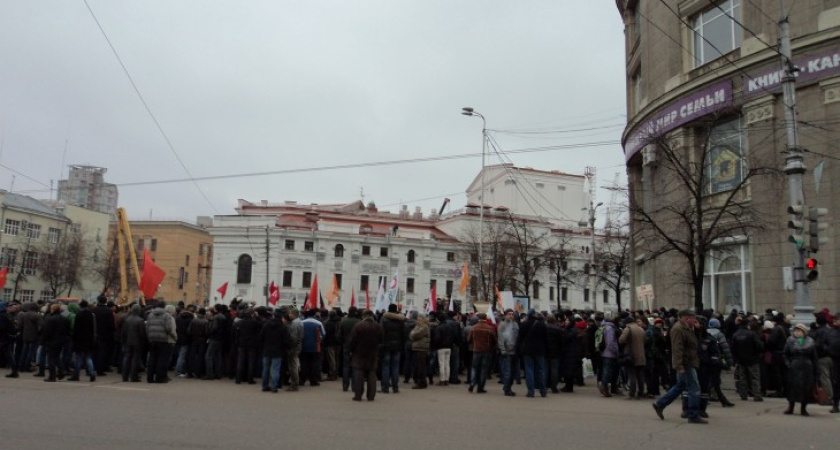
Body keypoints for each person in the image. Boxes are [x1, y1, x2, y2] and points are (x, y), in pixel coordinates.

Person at [652, 309, 706, 424]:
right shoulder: (678, 329)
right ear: (687, 318)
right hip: (686, 363)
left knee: (680, 386)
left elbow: (695, 343)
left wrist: (698, 330)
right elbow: (677, 349)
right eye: (693, 319)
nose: (695, 321)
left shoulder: (687, 328)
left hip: (689, 361)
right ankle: (693, 414)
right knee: (694, 388)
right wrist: (679, 365)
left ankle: (660, 404)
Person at [347, 309, 384, 401]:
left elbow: (352, 341)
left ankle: (358, 395)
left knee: (359, 374)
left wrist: (351, 350)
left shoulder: (358, 326)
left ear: (363, 316)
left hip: (359, 353)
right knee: (372, 374)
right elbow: (382, 340)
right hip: (373, 353)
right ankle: (371, 396)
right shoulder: (378, 326)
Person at [783, 323, 818, 416]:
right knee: (792, 387)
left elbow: (814, 357)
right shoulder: (790, 340)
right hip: (794, 365)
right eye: (796, 330)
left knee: (806, 388)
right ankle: (791, 406)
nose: (797, 332)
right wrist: (788, 364)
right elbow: (785, 354)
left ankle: (803, 408)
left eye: (799, 331)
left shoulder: (810, 341)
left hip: (807, 367)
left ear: (804, 332)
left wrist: (816, 370)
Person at [731, 318, 764, 401]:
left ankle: (743, 395)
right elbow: (759, 346)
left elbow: (733, 348)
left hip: (741, 360)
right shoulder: (752, 334)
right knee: (755, 378)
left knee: (743, 378)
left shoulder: (735, 334)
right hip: (752, 359)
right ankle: (757, 395)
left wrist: (735, 359)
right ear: (747, 325)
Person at [259, 308, 290, 393]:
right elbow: (286, 340)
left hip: (267, 349)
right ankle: (274, 387)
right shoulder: (283, 327)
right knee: (275, 369)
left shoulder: (267, 324)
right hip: (278, 350)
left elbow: (261, 337)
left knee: (265, 369)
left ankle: (264, 386)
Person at [145, 302, 177, 384]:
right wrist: (174, 337)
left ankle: (150, 378)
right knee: (161, 360)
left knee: (152, 359)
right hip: (163, 339)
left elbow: (147, 327)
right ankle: (160, 378)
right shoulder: (167, 315)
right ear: (163, 307)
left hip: (152, 339)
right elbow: (168, 328)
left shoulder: (150, 315)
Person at [519, 311, 548, 398]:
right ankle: (543, 391)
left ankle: (531, 392)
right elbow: (545, 339)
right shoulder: (542, 325)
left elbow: (520, 338)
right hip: (539, 350)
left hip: (528, 350)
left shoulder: (524, 324)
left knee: (529, 370)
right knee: (540, 370)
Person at [467, 313, 497, 394]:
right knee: (484, 369)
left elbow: (469, 339)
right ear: (486, 318)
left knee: (474, 367)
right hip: (487, 350)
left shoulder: (473, 327)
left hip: (476, 350)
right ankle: (480, 387)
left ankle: (472, 383)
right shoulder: (490, 328)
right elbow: (494, 340)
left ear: (478, 318)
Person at [619, 316, 646, 399]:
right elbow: (645, 340)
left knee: (632, 375)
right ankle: (641, 392)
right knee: (640, 375)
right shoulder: (641, 329)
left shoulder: (628, 329)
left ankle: (632, 393)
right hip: (641, 355)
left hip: (631, 355)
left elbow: (621, 340)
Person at [42, 304, 71, 382]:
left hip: (52, 341)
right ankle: (61, 372)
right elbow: (68, 330)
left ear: (53, 310)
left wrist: (44, 340)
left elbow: (47, 332)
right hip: (61, 341)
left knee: (51, 359)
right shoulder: (65, 319)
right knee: (57, 357)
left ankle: (52, 376)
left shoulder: (50, 319)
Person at [70, 300, 97, 382]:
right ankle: (92, 373)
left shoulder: (79, 314)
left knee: (78, 358)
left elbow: (76, 328)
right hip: (88, 338)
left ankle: (76, 375)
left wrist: (74, 338)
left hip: (79, 339)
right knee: (88, 357)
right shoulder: (91, 314)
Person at [380, 304, 405, 393]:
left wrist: (382, 343)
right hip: (397, 346)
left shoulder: (384, 319)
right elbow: (403, 334)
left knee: (386, 366)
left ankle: (385, 387)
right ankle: (395, 387)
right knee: (395, 367)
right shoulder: (401, 320)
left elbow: (381, 333)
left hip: (386, 345)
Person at [120, 304, 146, 382]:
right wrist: (143, 343)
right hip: (137, 342)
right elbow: (142, 334)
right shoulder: (140, 320)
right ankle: (133, 376)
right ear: (138, 311)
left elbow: (123, 333)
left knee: (127, 358)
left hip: (128, 342)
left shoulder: (127, 319)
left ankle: (124, 376)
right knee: (135, 359)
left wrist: (123, 342)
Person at [337, 307, 361, 392]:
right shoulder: (359, 322)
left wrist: (343, 342)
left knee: (346, 366)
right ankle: (355, 386)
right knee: (355, 366)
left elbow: (339, 335)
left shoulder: (343, 321)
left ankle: (345, 386)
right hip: (356, 347)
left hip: (346, 345)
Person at [498, 309, 519, 396]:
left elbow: (517, 336)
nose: (511, 316)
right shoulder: (502, 325)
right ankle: (507, 389)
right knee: (508, 371)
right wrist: (502, 349)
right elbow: (500, 338)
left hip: (514, 350)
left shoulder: (515, 324)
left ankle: (508, 386)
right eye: (509, 314)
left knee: (513, 371)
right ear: (505, 315)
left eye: (512, 314)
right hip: (507, 351)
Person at [409, 313, 430, 389]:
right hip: (417, 347)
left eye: (420, 317)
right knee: (417, 366)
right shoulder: (417, 326)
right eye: (418, 317)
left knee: (421, 366)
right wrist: (413, 334)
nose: (418, 319)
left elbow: (416, 335)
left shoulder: (424, 326)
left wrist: (413, 334)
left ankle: (422, 382)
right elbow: (411, 335)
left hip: (422, 348)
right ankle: (419, 381)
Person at [285, 308, 303, 391]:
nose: (289, 315)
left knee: (293, 366)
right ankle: (295, 383)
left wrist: (290, 347)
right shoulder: (300, 322)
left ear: (293, 314)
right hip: (298, 346)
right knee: (295, 364)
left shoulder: (294, 324)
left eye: (290, 313)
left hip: (294, 347)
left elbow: (293, 338)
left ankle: (294, 384)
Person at [1, 302, 19, 378]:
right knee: (9, 355)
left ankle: (14, 372)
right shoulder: (5, 316)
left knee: (9, 355)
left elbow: (2, 328)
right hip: (6, 338)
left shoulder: (2, 316)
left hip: (3, 338)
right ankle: (14, 371)